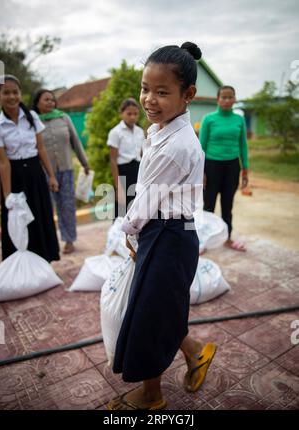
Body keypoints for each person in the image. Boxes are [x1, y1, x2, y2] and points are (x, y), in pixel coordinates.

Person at [107, 42, 217, 411]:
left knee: (149, 317)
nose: (149, 100)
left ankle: (151, 395)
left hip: (168, 235)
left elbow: (145, 202)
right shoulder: (161, 131)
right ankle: (196, 352)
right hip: (169, 232)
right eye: (145, 88)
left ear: (188, 95)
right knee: (160, 308)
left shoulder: (174, 144)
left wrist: (128, 231)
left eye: (162, 92)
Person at [0, 75, 60, 262]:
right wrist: (8, 196)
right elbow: (3, 162)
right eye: (6, 92)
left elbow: (41, 149)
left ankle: (45, 260)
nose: (11, 96)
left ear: (20, 93)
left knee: (40, 215)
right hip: (15, 176)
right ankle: (20, 266)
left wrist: (51, 176)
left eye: (15, 92)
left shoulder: (31, 117)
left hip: (35, 173)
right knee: (18, 219)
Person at [32, 89, 90, 254]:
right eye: (46, 100)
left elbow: (76, 141)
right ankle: (49, 243)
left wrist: (84, 163)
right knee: (46, 209)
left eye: (52, 100)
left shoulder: (64, 118)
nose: (50, 102)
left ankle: (69, 240)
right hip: (43, 173)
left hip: (66, 171)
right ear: (36, 103)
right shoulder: (33, 121)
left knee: (67, 206)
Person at [200, 85, 249, 251]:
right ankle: (204, 241)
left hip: (232, 166)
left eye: (230, 97)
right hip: (211, 166)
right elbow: (201, 147)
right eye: (224, 97)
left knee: (228, 205)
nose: (227, 100)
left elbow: (243, 145)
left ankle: (227, 239)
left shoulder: (239, 120)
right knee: (209, 205)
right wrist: (201, 172)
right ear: (218, 99)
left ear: (235, 99)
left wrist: (245, 170)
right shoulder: (209, 119)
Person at [107, 98, 144, 218]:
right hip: (123, 172)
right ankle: (118, 236)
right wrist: (118, 186)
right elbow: (113, 160)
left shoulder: (140, 132)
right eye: (129, 113)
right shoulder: (115, 132)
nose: (132, 117)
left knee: (138, 208)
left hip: (138, 172)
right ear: (121, 114)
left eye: (135, 114)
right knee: (122, 210)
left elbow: (142, 154)